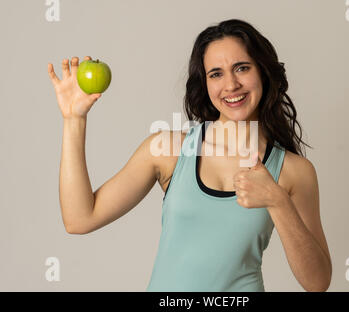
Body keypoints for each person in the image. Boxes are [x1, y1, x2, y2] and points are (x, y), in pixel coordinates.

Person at [47, 19, 332, 292]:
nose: (231, 85)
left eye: (242, 68)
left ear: (263, 72)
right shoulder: (168, 150)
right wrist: (74, 120)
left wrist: (278, 201)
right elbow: (80, 219)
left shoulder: (293, 172)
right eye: (216, 74)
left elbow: (317, 282)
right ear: (205, 84)